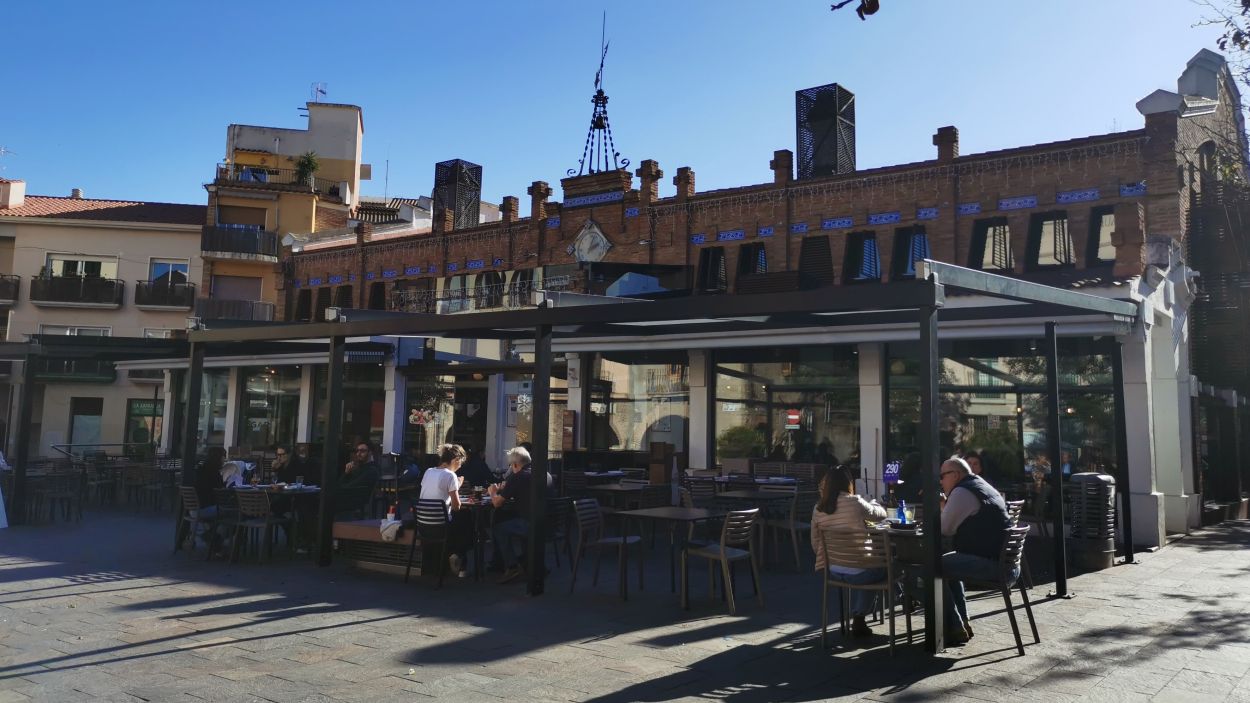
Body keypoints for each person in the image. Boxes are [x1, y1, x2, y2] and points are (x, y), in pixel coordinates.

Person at [939, 457, 1012, 645]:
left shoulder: (962, 491)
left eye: (942, 476)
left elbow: (944, 529)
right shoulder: (980, 485)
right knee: (948, 563)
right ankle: (961, 623)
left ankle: (955, 625)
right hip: (1007, 563)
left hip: (993, 565)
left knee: (932, 567)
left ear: (955, 475)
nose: (940, 481)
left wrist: (942, 509)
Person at [810, 466, 889, 637]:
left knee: (873, 567)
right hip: (862, 573)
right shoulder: (855, 502)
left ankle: (861, 617)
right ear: (848, 483)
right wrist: (874, 503)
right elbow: (881, 515)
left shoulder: (818, 508)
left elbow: (815, 544)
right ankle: (861, 614)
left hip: (832, 571)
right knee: (886, 567)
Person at [419, 443, 474, 577]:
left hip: (422, 526)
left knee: (461, 522)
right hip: (440, 527)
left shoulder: (428, 471)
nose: (460, 466)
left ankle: (454, 556)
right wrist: (457, 484)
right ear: (456, 460)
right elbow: (456, 506)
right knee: (469, 525)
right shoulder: (451, 475)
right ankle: (458, 556)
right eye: (460, 462)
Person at [489, 446, 534, 584]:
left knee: (498, 527)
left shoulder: (518, 476)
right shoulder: (543, 474)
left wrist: (492, 492)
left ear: (515, 464)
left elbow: (497, 503)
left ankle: (512, 566)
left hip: (530, 524)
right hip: (550, 523)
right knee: (510, 520)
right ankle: (526, 562)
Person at [336, 441, 380, 516]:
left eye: (362, 451)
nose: (358, 454)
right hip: (349, 501)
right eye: (357, 451)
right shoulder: (360, 468)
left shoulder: (371, 470)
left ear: (370, 452)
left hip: (353, 504)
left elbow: (349, 487)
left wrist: (336, 488)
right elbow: (342, 484)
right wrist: (347, 473)